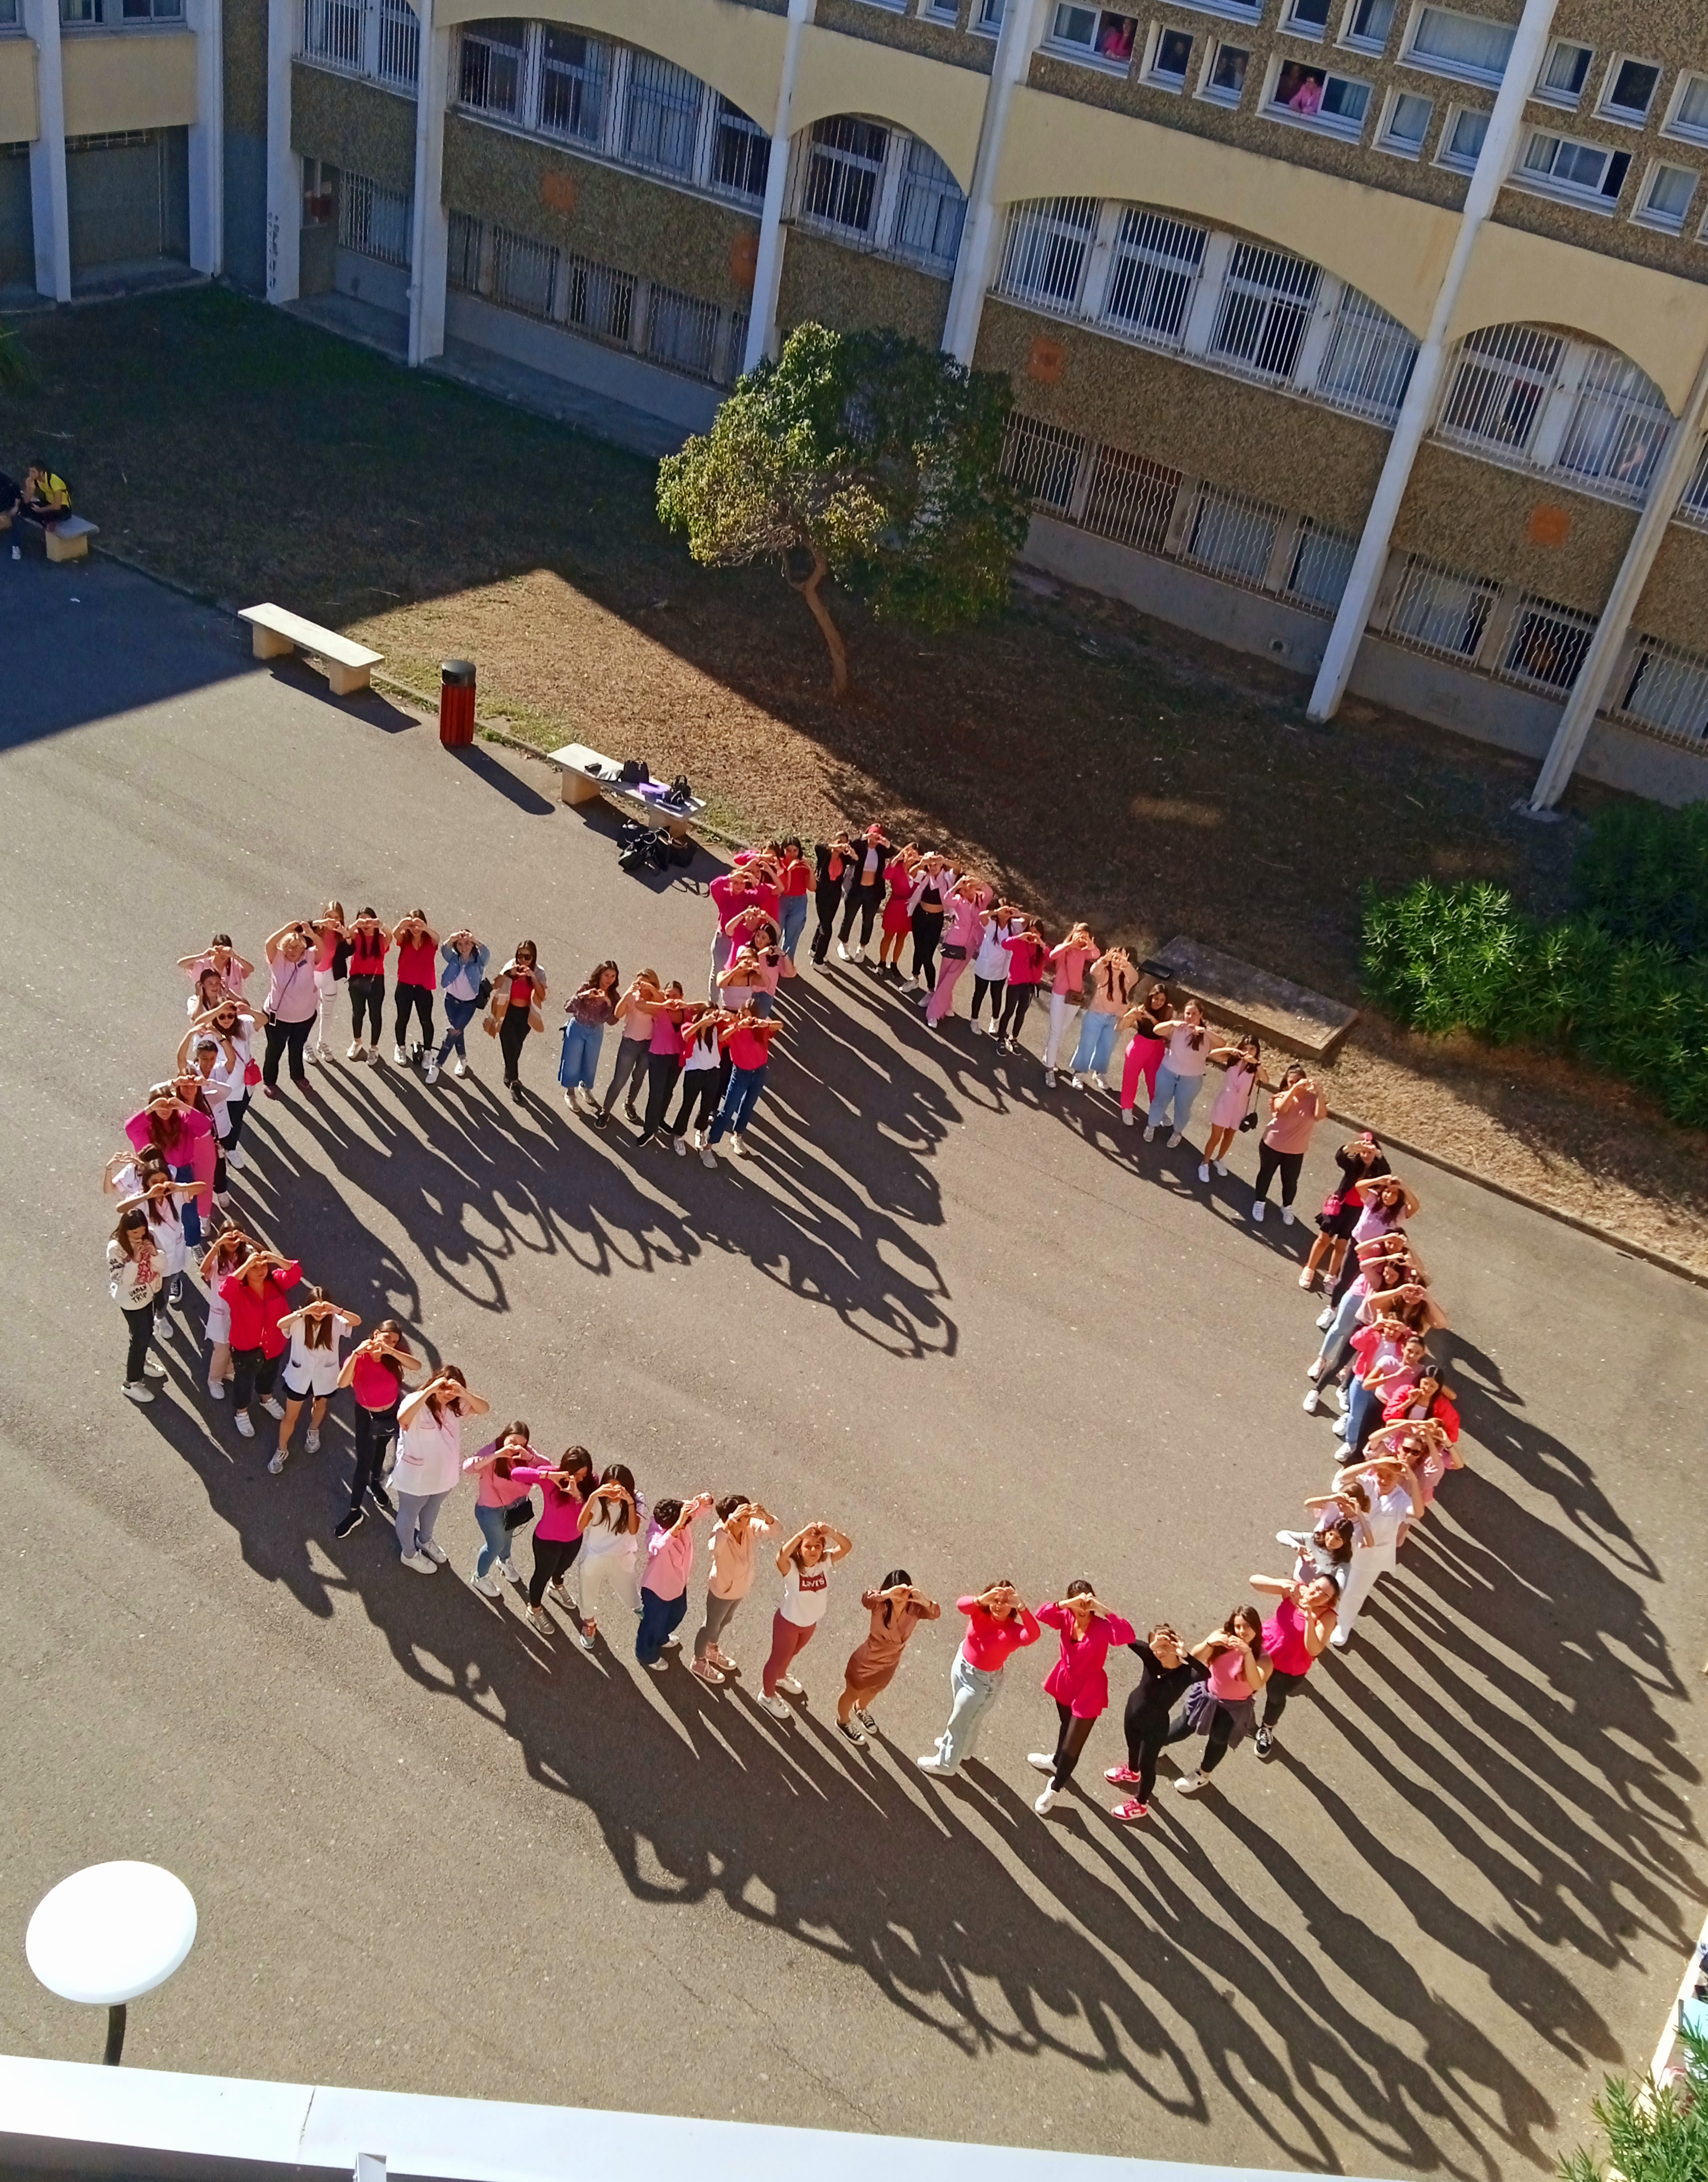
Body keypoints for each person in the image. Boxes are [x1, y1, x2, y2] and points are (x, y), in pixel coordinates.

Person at [1028, 1581, 1136, 1815]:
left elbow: (1127, 1636)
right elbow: (1041, 1614)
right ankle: (1056, 1761)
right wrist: (1065, 1604)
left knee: (1073, 1746)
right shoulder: (1065, 1617)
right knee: (1066, 1725)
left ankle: (1054, 1788)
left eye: (1088, 1602)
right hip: (1066, 1680)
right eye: (1078, 1603)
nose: (1083, 1608)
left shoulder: (1103, 1626)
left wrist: (1105, 1610)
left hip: (1090, 1688)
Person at [918, 1581, 1041, 1777]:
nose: (999, 1605)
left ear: (1013, 1606)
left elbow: (1033, 1634)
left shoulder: (1013, 1631)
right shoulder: (980, 1612)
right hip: (961, 1667)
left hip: (981, 1683)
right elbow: (961, 1604)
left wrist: (1022, 1606)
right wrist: (982, 1599)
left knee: (958, 1723)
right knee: (968, 1720)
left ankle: (946, 1764)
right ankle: (962, 1750)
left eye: (1005, 1602)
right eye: (995, 1599)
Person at [1104, 1622, 1209, 1822]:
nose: (1160, 1652)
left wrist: (1185, 1654)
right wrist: (1151, 1648)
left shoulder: (1186, 1673)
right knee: (1132, 1747)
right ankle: (1131, 1772)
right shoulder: (1151, 1659)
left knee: (1147, 1764)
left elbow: (1206, 1675)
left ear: (1175, 1644)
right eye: (1156, 1646)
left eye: (1165, 1646)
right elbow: (1128, 1640)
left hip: (1155, 1726)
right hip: (1132, 1713)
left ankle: (1141, 1804)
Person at [1162, 1609, 1273, 1797]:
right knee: (1184, 1725)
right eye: (1238, 1626)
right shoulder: (1223, 1641)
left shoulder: (1263, 1659)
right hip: (1206, 1696)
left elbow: (1256, 1683)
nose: (1242, 1631)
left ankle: (1203, 1775)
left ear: (1257, 1628)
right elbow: (1194, 1658)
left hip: (1233, 1709)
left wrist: (1247, 1654)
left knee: (1218, 1740)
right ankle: (1156, 1744)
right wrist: (1209, 1642)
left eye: (1247, 1626)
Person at [393, 1365, 488, 1573]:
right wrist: (429, 1391)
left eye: (452, 1389)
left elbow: (484, 1409)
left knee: (432, 1509)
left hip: (443, 1475)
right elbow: (403, 1420)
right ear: (435, 1381)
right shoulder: (415, 1401)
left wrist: (463, 1393)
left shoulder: (455, 1405)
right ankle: (408, 1554)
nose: (447, 1393)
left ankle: (425, 1540)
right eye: (443, 1386)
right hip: (415, 1477)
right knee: (409, 1514)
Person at [1328, 1447, 1423, 1648]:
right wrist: (1372, 1464)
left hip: (1373, 1555)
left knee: (1355, 1591)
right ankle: (1326, 1613)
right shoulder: (1368, 1483)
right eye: (1381, 1474)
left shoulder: (1401, 1500)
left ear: (1398, 1476)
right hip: (1347, 1545)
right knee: (1334, 1581)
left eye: (1390, 1475)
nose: (1384, 1479)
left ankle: (1344, 1624)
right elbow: (1344, 1478)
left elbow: (1417, 1512)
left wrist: (1413, 1481)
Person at [759, 1520, 854, 1719]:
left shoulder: (824, 1562)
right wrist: (801, 1534)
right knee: (777, 1659)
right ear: (800, 1549)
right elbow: (781, 1556)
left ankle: (781, 1678)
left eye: (818, 1546)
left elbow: (847, 1547)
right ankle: (767, 1696)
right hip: (789, 1624)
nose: (813, 1550)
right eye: (808, 1546)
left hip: (810, 1623)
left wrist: (832, 1532)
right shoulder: (791, 1568)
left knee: (792, 1653)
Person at [333, 1320, 420, 1537]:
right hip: (368, 1416)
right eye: (387, 1338)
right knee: (363, 1461)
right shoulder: (360, 1358)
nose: (390, 1343)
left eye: (395, 1341)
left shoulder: (392, 1357)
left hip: (392, 1412)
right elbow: (342, 1383)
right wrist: (355, 1353)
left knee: (382, 1447)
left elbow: (416, 1366)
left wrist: (391, 1350)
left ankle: (375, 1483)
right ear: (376, 1334)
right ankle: (355, 1512)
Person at [834, 1573, 940, 1746]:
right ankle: (843, 1721)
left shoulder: (915, 1609)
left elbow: (935, 1613)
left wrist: (924, 1600)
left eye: (904, 1592)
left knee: (875, 1690)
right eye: (896, 1592)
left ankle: (860, 1709)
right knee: (852, 1693)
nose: (900, 1597)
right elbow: (866, 1599)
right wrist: (886, 1595)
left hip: (889, 1664)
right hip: (866, 1662)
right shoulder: (880, 1605)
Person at [505, 1444, 597, 1630]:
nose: (580, 1478)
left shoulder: (590, 1483)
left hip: (574, 1539)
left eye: (583, 1475)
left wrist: (578, 1496)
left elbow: (588, 1517)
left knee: (563, 1568)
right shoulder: (552, 1477)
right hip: (547, 1541)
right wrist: (548, 1475)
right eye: (576, 1474)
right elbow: (516, 1474)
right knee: (542, 1575)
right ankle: (534, 1609)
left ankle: (556, 1586)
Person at [1249, 1572, 1338, 1757]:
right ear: (1311, 1583)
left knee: (1275, 1697)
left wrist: (1309, 1617)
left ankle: (1267, 1729)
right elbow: (1254, 1581)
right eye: (1317, 1588)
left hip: (1291, 1666)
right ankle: (1237, 1711)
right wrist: (1281, 1585)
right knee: (1247, 1683)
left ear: (1330, 1601)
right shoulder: (1296, 1589)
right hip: (1266, 1648)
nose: (1316, 1594)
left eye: (1324, 1595)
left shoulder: (1327, 1616)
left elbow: (1314, 1649)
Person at [270, 1289, 359, 1474]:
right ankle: (282, 1449)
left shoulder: (335, 1321)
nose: (319, 1313)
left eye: (323, 1308)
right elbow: (280, 1324)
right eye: (315, 1308)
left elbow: (357, 1321)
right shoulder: (299, 1321)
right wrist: (303, 1312)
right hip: (299, 1376)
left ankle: (313, 1430)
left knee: (320, 1405)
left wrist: (336, 1310)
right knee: (290, 1416)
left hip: (325, 1376)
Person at [691, 1494, 778, 1684]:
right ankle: (698, 1661)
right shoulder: (720, 1533)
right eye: (744, 1517)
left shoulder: (748, 1527)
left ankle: (712, 1650)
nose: (749, 1520)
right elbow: (714, 1550)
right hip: (722, 1590)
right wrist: (731, 1523)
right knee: (710, 1626)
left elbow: (775, 1530)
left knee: (726, 1620)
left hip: (740, 1588)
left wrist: (765, 1514)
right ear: (731, 1518)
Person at [221, 1245, 302, 1441]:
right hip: (246, 1349)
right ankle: (241, 1412)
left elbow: (296, 1272)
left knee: (269, 1374)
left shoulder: (276, 1282)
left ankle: (266, 1398)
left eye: (263, 1266)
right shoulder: (238, 1291)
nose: (261, 1271)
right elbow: (225, 1289)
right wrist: (246, 1263)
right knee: (244, 1382)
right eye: (253, 1267)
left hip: (274, 1344)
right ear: (244, 1269)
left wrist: (274, 1257)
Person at [124, 1083, 214, 1250]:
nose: (165, 1110)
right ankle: (159, 1248)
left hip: (182, 1173)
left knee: (190, 1215)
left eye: (168, 1106)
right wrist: (150, 1108)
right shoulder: (147, 1125)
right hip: (155, 1175)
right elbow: (130, 1128)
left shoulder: (183, 1119)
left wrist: (182, 1106)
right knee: (157, 1215)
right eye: (159, 1106)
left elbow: (205, 1126)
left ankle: (194, 1245)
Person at [1301, 1133, 1390, 1291]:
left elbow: (1387, 1174)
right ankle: (1309, 1269)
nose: (1366, 1155)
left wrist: (1378, 1155)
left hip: (1357, 1213)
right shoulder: (1353, 1166)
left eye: (1370, 1152)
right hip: (1339, 1207)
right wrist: (1350, 1147)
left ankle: (1331, 1276)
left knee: (1341, 1246)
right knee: (1324, 1240)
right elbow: (1340, 1158)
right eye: (1363, 1152)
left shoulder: (1378, 1171)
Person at [637, 1493, 717, 1669]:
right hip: (657, 1590)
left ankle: (660, 1638)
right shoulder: (657, 1534)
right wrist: (678, 1527)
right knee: (652, 1624)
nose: (687, 1523)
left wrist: (706, 1500)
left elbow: (699, 1508)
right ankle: (646, 1654)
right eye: (683, 1523)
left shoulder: (679, 1514)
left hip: (678, 1584)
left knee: (678, 1613)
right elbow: (656, 1548)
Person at [458, 1420, 536, 1600]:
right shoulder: (492, 1453)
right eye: (513, 1442)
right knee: (495, 1545)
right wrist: (497, 1455)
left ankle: (504, 1561)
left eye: (522, 1444)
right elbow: (468, 1467)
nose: (516, 1448)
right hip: (491, 1511)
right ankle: (479, 1577)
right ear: (504, 1437)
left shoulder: (525, 1454)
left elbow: (543, 1465)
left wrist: (530, 1458)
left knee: (508, 1536)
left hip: (515, 1507)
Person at [575, 1464, 647, 1654]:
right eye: (610, 1486)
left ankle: (645, 1616)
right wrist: (592, 1498)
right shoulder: (599, 1500)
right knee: (588, 1591)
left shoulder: (636, 1499)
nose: (615, 1493)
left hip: (621, 1557)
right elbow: (581, 1526)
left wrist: (629, 1502)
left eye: (619, 1488)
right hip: (595, 1556)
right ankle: (589, 1622)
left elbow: (633, 1529)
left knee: (631, 1592)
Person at [1250, 1063, 1329, 1224]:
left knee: (1291, 1182)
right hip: (1272, 1145)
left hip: (1295, 1150)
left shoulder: (1313, 1100)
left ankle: (1287, 1206)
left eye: (1300, 1080)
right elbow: (1281, 1111)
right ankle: (1260, 1202)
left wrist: (1319, 1092)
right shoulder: (1280, 1097)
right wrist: (1294, 1089)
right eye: (1292, 1081)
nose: (1296, 1084)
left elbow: (1320, 1116)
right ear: (1287, 1082)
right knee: (1266, 1174)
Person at [705, 1002, 782, 1165]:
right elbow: (721, 1038)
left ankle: (738, 1136)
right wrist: (736, 1027)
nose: (744, 1019)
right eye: (741, 1014)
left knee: (748, 1106)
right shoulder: (735, 1029)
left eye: (747, 1016)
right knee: (728, 1110)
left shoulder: (760, 1029)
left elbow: (779, 1025)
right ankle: (708, 1146)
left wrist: (764, 1023)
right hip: (741, 1074)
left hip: (759, 1072)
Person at [109, 1206, 166, 1402]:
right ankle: (131, 1383)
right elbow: (123, 1280)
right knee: (140, 1339)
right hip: (131, 1301)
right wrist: (134, 1260)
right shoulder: (115, 1248)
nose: (140, 1236)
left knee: (146, 1332)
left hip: (148, 1295)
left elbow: (162, 1267)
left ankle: (141, 1363)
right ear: (125, 1230)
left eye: (142, 1231)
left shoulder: (148, 1237)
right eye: (134, 1233)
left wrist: (155, 1254)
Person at [259, 920, 321, 1096]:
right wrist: (285, 929)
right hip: (279, 1018)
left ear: (303, 948)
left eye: (297, 947)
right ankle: (270, 1081)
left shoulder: (309, 957)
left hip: (305, 1017)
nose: (293, 951)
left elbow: (322, 949)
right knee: (275, 1049)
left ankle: (298, 1075)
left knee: (297, 1047)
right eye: (289, 947)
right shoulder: (277, 959)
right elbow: (269, 944)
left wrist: (313, 935)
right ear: (283, 947)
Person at [425, 926, 490, 1087]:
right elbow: (444, 950)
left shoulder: (478, 961)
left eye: (467, 943)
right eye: (460, 944)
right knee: (457, 1032)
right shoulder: (454, 958)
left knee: (452, 1032)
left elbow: (487, 953)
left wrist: (474, 939)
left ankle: (437, 1065)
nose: (464, 947)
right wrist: (453, 937)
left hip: (468, 1005)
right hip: (451, 1001)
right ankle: (462, 1059)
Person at [1145, 999, 1212, 1147]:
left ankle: (1177, 1132)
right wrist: (1171, 1023)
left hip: (1191, 1080)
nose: (1190, 1016)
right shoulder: (1177, 1027)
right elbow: (1157, 1030)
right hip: (1168, 1072)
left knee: (1183, 1107)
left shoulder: (1206, 1035)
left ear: (1201, 1015)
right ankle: (1152, 1125)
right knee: (1160, 1099)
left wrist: (1205, 1032)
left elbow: (1223, 1044)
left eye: (1195, 1013)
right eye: (1188, 1013)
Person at [198, 1224, 253, 1400]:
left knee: (235, 1346)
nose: (233, 1242)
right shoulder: (217, 1259)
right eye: (228, 1238)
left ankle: (228, 1370)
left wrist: (249, 1240)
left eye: (236, 1238)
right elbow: (203, 1270)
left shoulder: (245, 1256)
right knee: (221, 1349)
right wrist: (217, 1245)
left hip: (241, 1312)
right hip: (221, 1314)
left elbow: (267, 1257)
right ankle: (214, 1379)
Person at [1069, 946, 1136, 1090]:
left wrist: (1126, 966)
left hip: (1115, 1019)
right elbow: (1094, 970)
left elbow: (1135, 978)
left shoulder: (1127, 978)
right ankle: (1078, 1074)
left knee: (1106, 1048)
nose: (1117, 961)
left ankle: (1098, 1074)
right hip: (1096, 1015)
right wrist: (1104, 960)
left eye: (1120, 958)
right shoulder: (1104, 973)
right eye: (1115, 957)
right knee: (1087, 1044)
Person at [1199, 1035, 1265, 1181]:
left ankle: (1219, 1159)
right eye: (1245, 1048)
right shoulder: (1232, 1061)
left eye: (1252, 1049)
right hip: (1224, 1103)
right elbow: (1212, 1054)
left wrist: (1257, 1063)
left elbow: (1266, 1080)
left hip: (1240, 1108)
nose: (1248, 1051)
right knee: (1215, 1137)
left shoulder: (1255, 1069)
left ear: (1257, 1051)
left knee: (1229, 1136)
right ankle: (1205, 1164)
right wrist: (1230, 1050)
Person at [1043, 922, 1100, 1089]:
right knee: (1055, 1031)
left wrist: (1090, 944)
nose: (1081, 938)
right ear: (1073, 933)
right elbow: (1053, 955)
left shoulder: (1084, 952)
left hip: (1075, 996)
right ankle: (1049, 1070)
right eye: (1079, 934)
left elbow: (1096, 955)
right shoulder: (1065, 948)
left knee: (1062, 1029)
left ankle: (1049, 1056)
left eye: (1085, 935)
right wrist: (1070, 944)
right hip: (1060, 993)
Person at [558, 961, 619, 1115]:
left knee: (590, 1063)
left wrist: (608, 1003)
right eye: (606, 975)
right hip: (578, 1027)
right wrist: (583, 996)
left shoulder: (613, 996)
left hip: (595, 1032)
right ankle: (570, 1093)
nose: (609, 979)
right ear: (600, 974)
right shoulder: (586, 987)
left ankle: (585, 1087)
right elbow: (568, 1007)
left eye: (613, 976)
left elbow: (612, 1021)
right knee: (572, 1062)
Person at [670, 1003, 730, 1157]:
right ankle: (679, 1135)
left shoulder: (716, 1030)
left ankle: (700, 1131)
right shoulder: (692, 1028)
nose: (711, 1017)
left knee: (707, 1106)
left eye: (714, 1015)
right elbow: (686, 1035)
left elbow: (727, 1034)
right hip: (695, 1074)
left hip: (713, 1074)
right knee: (687, 1105)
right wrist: (702, 1022)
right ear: (702, 1014)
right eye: (707, 1014)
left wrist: (734, 1024)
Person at [636, 982, 688, 1149]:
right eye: (668, 995)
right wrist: (654, 992)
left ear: (681, 996)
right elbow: (639, 1005)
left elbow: (706, 1006)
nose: (671, 999)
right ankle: (649, 1129)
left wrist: (686, 1004)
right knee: (656, 1093)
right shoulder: (659, 1010)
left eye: (675, 995)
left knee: (668, 1091)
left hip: (678, 1058)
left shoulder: (687, 1011)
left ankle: (660, 1120)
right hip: (659, 1057)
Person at [492, 940, 546, 1101]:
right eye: (520, 956)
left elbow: (542, 995)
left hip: (525, 1014)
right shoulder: (511, 966)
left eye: (527, 957)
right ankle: (514, 1081)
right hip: (507, 1011)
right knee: (509, 1044)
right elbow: (496, 984)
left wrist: (533, 977)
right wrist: (508, 973)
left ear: (534, 958)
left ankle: (509, 1069)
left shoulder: (539, 972)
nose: (523, 961)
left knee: (516, 1046)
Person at [1116, 985, 1170, 1128]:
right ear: (1150, 996)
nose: (1159, 1002)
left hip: (1157, 1049)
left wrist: (1151, 1017)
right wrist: (1130, 1016)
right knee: (1131, 1079)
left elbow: (1164, 1032)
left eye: (1162, 1000)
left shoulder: (1167, 1011)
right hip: (1139, 1046)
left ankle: (1157, 1110)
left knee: (1155, 1082)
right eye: (1156, 998)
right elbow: (1120, 1028)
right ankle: (1127, 1108)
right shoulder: (1140, 1010)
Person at [390, 911, 440, 1065]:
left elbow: (438, 938)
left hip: (423, 988)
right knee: (402, 1018)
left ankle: (427, 1052)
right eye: (413, 925)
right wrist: (402, 925)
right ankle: (400, 1047)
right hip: (404, 985)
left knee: (426, 1021)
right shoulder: (405, 939)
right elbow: (395, 934)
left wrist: (425, 928)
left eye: (419, 924)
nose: (416, 928)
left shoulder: (429, 941)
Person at [838, 824, 893, 961]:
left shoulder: (881, 850)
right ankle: (843, 944)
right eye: (872, 835)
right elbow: (852, 844)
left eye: (877, 836)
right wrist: (866, 837)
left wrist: (885, 843)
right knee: (849, 917)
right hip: (856, 889)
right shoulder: (861, 847)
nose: (874, 839)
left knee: (868, 921)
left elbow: (892, 852)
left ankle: (862, 947)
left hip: (873, 892)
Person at [995, 917, 1048, 1054]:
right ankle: (1001, 1037)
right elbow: (1005, 944)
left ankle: (1014, 1038)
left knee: (1021, 1013)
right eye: (1030, 931)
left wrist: (1041, 943)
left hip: (1030, 985)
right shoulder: (1020, 942)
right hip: (1015, 982)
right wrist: (1020, 937)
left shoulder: (1040, 948)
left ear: (1041, 933)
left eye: (1036, 932)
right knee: (1009, 1011)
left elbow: (1051, 957)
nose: (1032, 935)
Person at [967, 901, 1020, 1035]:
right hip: (985, 967)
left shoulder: (1014, 927)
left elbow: (1028, 920)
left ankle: (994, 1022)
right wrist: (997, 912)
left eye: (1008, 912)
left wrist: (1017, 913)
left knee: (996, 996)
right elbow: (982, 915)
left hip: (1001, 969)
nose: (1005, 914)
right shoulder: (991, 924)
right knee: (979, 994)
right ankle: (974, 1020)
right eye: (1003, 911)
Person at [345, 908, 390, 1063]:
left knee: (375, 1015)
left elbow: (390, 937)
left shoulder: (381, 938)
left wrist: (381, 925)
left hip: (376, 980)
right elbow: (346, 934)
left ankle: (374, 1048)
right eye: (362, 920)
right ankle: (357, 1041)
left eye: (368, 920)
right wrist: (355, 924)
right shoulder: (357, 935)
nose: (365, 923)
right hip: (357, 978)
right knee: (358, 1012)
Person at [907, 851, 956, 992]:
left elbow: (958, 869)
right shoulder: (924, 876)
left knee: (927, 955)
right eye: (931, 864)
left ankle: (931, 989)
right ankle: (915, 978)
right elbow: (912, 873)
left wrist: (945, 860)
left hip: (935, 920)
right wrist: (922, 863)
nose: (934, 866)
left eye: (937, 864)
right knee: (918, 949)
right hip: (920, 916)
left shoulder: (947, 878)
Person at [308, 903, 349, 1065]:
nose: (332, 920)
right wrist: (320, 924)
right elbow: (300, 928)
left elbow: (351, 949)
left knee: (327, 1014)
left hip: (329, 977)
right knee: (308, 1014)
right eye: (329, 916)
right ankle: (306, 1045)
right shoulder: (314, 931)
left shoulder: (340, 936)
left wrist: (346, 935)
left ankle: (323, 1043)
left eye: (336, 917)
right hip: (312, 977)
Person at [874, 843, 919, 978]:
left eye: (913, 855)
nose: (910, 857)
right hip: (895, 905)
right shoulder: (897, 867)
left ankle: (894, 964)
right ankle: (882, 962)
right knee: (889, 935)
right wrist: (896, 859)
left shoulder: (920, 871)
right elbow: (886, 876)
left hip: (910, 909)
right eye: (908, 853)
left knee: (902, 937)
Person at [810, 836, 853, 966]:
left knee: (825, 921)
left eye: (844, 843)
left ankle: (814, 949)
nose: (841, 845)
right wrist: (834, 847)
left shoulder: (844, 858)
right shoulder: (825, 854)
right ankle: (818, 961)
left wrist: (851, 851)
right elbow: (818, 846)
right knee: (826, 927)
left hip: (835, 894)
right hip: (822, 892)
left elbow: (857, 861)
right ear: (834, 842)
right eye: (839, 842)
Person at [776, 840, 813, 964]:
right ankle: (771, 963)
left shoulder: (802, 865)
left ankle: (786, 963)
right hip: (781, 900)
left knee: (792, 937)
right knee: (776, 932)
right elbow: (785, 888)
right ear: (783, 850)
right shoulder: (779, 864)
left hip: (799, 902)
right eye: (789, 851)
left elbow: (812, 888)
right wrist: (789, 871)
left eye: (795, 851)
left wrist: (810, 870)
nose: (792, 854)